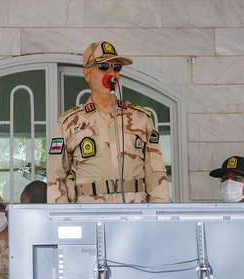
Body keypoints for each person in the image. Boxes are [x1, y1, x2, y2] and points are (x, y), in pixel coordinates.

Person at [47, 41, 171, 204]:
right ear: (87, 74)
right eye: (103, 66)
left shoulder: (141, 118)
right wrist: (61, 222)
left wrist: (159, 217)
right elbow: (56, 177)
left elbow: (156, 174)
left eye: (116, 67)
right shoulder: (69, 122)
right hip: (89, 213)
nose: (111, 72)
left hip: (134, 213)